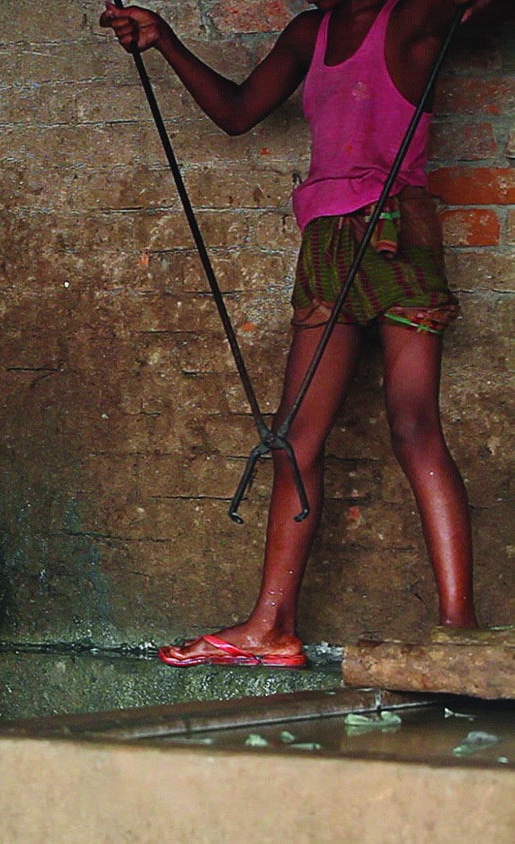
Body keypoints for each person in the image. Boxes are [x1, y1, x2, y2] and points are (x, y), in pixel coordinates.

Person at [99, 0, 509, 667]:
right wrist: (163, 40)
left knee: (410, 426)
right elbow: (235, 113)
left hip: (394, 232)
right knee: (303, 439)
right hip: (330, 243)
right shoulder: (309, 32)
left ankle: (457, 632)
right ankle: (275, 625)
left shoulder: (408, 19)